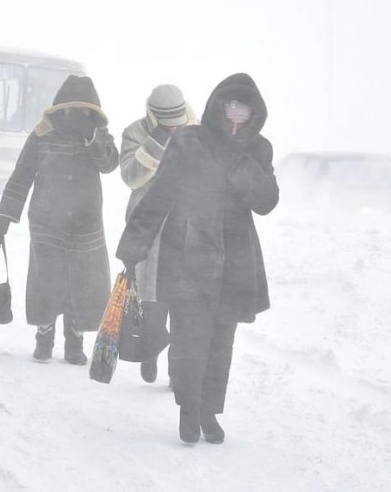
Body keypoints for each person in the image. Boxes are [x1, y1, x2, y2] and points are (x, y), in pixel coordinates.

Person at [116, 73, 278, 444]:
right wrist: (134, 245)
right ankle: (189, 412)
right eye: (230, 108)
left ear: (255, 115)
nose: (236, 118)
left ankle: (209, 413)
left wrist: (239, 160)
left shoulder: (258, 149)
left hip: (235, 264)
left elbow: (267, 201)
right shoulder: (189, 142)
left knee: (221, 343)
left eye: (244, 111)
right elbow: (160, 195)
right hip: (188, 256)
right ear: (217, 108)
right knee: (191, 341)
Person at [0, 75, 119, 364]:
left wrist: (91, 137)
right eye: (74, 109)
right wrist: (5, 214)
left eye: (86, 110)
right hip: (46, 220)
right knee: (47, 280)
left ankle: (75, 342)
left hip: (86, 222)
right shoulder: (42, 134)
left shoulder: (99, 134)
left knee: (83, 283)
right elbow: (22, 175)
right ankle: (44, 336)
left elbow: (110, 164)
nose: (80, 114)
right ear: (61, 107)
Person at [119, 84, 196, 383]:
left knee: (181, 301)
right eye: (166, 122)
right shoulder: (135, 133)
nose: (173, 127)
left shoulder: (196, 133)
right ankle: (148, 351)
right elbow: (131, 177)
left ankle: (178, 372)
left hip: (184, 226)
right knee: (150, 296)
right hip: (147, 227)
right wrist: (158, 140)